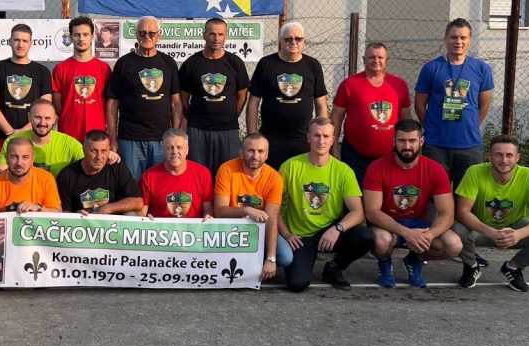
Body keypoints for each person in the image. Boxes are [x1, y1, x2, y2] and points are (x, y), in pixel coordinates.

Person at [363, 119, 461, 288]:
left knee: (453, 245)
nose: (407, 146)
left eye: (412, 141)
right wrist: (406, 233)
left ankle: (415, 260)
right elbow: (372, 212)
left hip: (420, 224)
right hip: (388, 224)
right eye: (401, 140)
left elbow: (447, 213)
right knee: (381, 241)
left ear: (421, 142)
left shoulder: (435, 169)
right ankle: (385, 263)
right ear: (394, 141)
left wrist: (428, 236)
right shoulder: (376, 168)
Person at [454, 134, 529, 292]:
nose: (504, 160)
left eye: (509, 155)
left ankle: (513, 267)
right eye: (498, 155)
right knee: (456, 230)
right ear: (489, 156)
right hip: (481, 228)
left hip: (513, 227)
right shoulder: (474, 172)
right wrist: (491, 232)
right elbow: (462, 212)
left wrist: (518, 234)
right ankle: (471, 265)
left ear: (517, 157)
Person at [278, 117, 373, 291]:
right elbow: (274, 207)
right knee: (298, 284)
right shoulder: (290, 167)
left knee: (365, 236)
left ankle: (335, 267)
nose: (321, 141)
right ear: (308, 137)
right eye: (316, 135)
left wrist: (337, 229)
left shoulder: (343, 171)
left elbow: (358, 212)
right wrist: (286, 234)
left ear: (333, 139)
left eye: (326, 136)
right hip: (300, 237)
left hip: (329, 231)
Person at [414, 18, 494, 189]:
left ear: (469, 40)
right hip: (436, 145)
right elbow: (419, 105)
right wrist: (431, 128)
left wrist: (472, 125)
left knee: (466, 196)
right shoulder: (431, 68)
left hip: (469, 145)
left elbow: (485, 104)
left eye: (463, 38)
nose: (458, 42)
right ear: (445, 39)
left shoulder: (482, 68)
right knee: (434, 194)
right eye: (453, 37)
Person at [106, 16, 182, 180]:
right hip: (130, 139)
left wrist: (176, 135)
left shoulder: (168, 63)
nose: (147, 37)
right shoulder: (123, 64)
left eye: (151, 33)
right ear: (136, 34)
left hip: (162, 139)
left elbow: (176, 102)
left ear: (159, 35)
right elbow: (112, 104)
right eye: (142, 33)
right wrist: (112, 139)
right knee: (132, 187)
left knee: (160, 186)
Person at [247, 21, 328, 170]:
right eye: (288, 39)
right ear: (280, 40)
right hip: (271, 138)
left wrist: (321, 134)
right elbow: (253, 103)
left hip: (303, 139)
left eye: (298, 39)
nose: (293, 42)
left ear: (304, 41)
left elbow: (321, 104)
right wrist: (252, 136)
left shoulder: (313, 65)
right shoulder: (266, 64)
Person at [330, 43, 412, 184]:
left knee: (386, 195)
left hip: (390, 155)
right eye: (372, 57)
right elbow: (336, 117)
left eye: (380, 57)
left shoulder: (399, 85)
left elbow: (406, 119)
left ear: (387, 60)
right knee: (355, 195)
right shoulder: (349, 84)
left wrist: (407, 146)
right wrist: (334, 148)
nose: (376, 60)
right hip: (354, 155)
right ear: (364, 59)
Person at [179, 17, 250, 171]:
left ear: (226, 36)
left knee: (227, 174)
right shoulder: (191, 63)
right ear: (204, 35)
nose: (216, 38)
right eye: (212, 34)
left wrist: (231, 116)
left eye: (220, 34)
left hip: (227, 129)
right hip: (198, 130)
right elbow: (183, 99)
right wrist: (193, 119)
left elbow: (242, 96)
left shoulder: (235, 63)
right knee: (198, 174)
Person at [212, 133, 283, 282]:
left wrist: (271, 258)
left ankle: (264, 263)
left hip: (260, 230)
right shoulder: (226, 169)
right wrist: (247, 210)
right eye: (251, 150)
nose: (255, 156)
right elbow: (219, 211)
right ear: (241, 151)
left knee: (286, 257)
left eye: (260, 151)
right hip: (231, 230)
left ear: (267, 154)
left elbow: (272, 219)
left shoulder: (275, 178)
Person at [0, 23, 52, 166]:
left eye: (25, 41)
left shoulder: (42, 72)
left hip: (32, 138)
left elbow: (46, 107)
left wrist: (22, 132)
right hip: (2, 137)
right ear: (9, 41)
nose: (20, 45)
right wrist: (10, 132)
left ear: (31, 43)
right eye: (16, 40)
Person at [0, 99, 85, 179]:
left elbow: (88, 173)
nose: (42, 123)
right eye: (38, 117)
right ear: (29, 117)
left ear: (55, 119)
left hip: (56, 194)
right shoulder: (14, 141)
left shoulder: (70, 144)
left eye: (47, 118)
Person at [52, 16, 112, 142]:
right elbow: (57, 105)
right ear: (71, 37)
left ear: (92, 37)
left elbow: (109, 103)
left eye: (85, 34)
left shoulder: (104, 68)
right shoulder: (60, 69)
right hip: (68, 134)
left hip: (97, 134)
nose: (81, 39)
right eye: (77, 35)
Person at [57, 130, 142, 215]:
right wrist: (76, 216)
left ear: (109, 150)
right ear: (84, 150)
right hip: (82, 221)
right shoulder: (67, 175)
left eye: (104, 151)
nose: (99, 157)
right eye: (94, 151)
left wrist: (108, 208)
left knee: (132, 214)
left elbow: (138, 202)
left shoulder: (117, 168)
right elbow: (63, 213)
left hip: (113, 221)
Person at [0, 138, 62, 214]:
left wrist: (38, 208)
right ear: (6, 158)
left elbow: (58, 215)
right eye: (14, 157)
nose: (19, 163)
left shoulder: (46, 179)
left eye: (25, 157)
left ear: (32, 160)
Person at [139, 129, 213, 219]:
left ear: (187, 150)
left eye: (179, 147)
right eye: (170, 148)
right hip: (161, 227)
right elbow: (141, 212)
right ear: (163, 151)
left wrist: (209, 216)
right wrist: (145, 219)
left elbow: (208, 209)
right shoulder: (148, 177)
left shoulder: (203, 174)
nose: (174, 152)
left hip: (193, 227)